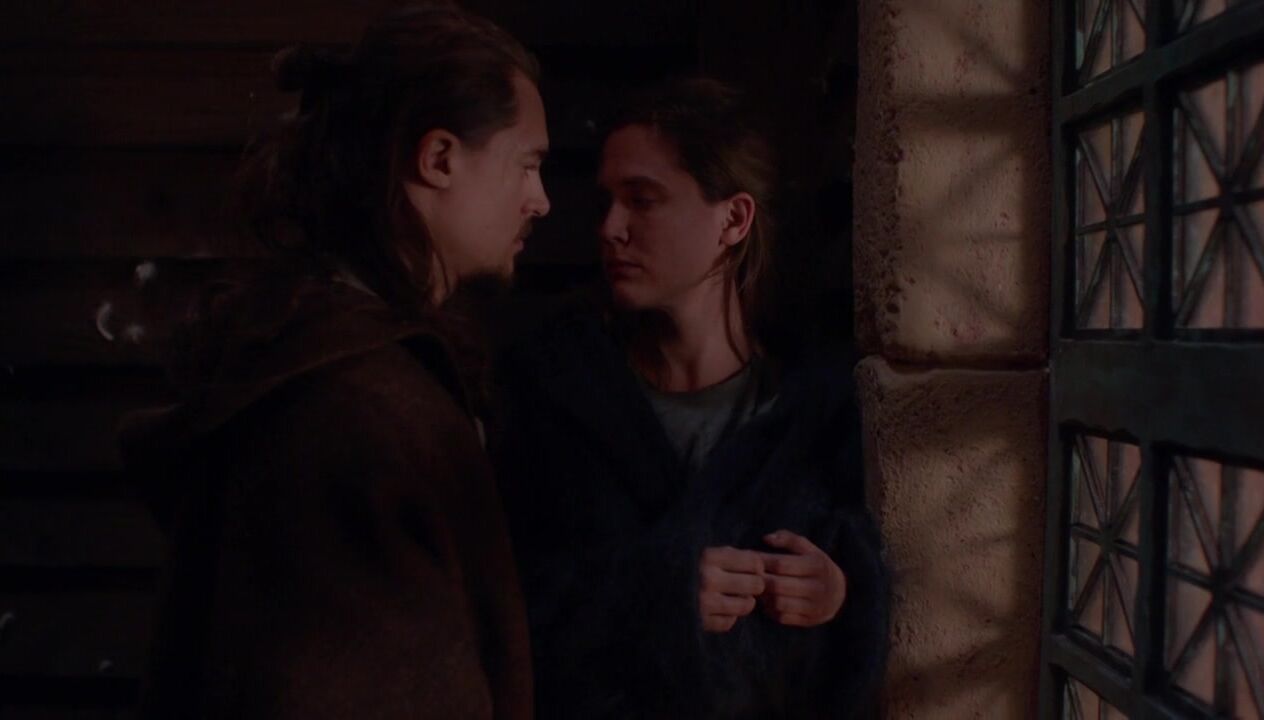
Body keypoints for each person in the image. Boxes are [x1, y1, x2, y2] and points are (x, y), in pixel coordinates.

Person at [120, 4, 549, 718]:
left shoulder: (344, 370)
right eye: (527, 165)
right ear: (439, 159)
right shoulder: (355, 407)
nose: (541, 200)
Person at [492, 77, 890, 719]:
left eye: (643, 201)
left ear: (733, 219)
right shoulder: (551, 393)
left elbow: (861, 613)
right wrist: (659, 591)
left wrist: (840, 593)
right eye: (605, 202)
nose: (611, 229)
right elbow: (506, 611)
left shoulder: (815, 412)